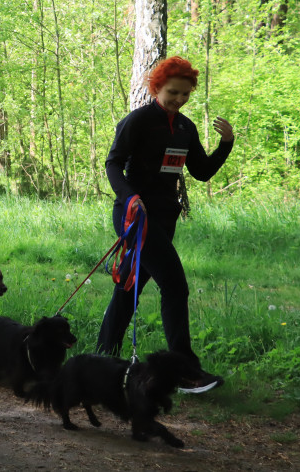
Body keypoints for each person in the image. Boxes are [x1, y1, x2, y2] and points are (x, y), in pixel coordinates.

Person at [95, 56, 235, 394]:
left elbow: (201, 172)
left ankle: (101, 362)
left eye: (185, 94)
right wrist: (129, 197)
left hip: (164, 216)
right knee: (175, 286)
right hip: (135, 216)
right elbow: (113, 163)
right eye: (173, 92)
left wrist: (226, 144)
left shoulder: (185, 127)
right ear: (156, 87)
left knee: (128, 289)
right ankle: (185, 371)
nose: (178, 99)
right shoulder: (138, 121)